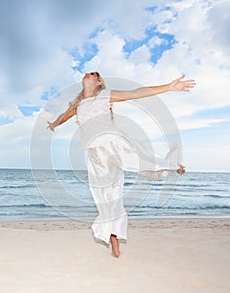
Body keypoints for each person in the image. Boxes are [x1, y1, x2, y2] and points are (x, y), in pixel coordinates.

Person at [47, 72, 196, 258]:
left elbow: (136, 93)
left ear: (98, 82)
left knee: (144, 161)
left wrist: (168, 87)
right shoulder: (78, 105)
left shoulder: (105, 96)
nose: (89, 74)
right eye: (88, 72)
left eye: (94, 74)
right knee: (107, 200)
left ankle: (173, 165)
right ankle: (114, 243)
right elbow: (64, 115)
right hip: (96, 155)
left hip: (115, 145)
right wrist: (54, 124)